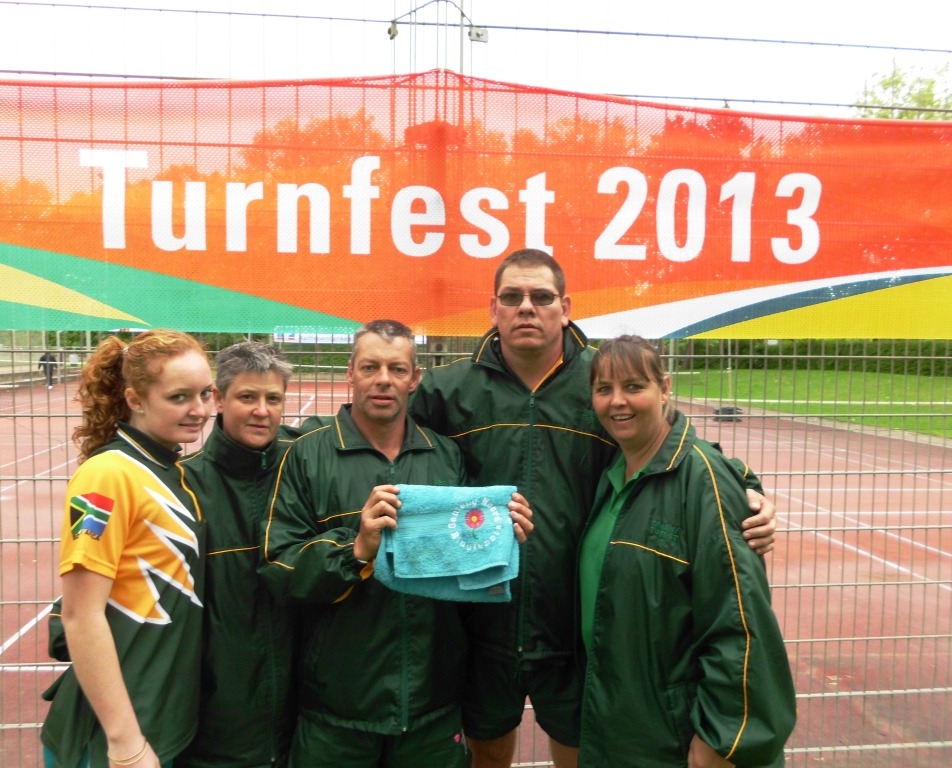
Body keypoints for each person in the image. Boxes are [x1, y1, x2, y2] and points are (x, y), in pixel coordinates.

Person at [408, 248, 777, 768]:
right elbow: (381, 435)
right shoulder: (447, 390)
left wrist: (744, 485)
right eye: (512, 297)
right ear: (494, 309)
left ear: (565, 307)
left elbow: (672, 440)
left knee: (582, 749)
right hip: (481, 619)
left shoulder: (601, 379)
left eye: (541, 297)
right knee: (486, 749)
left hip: (578, 621)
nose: (526, 307)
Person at [261, 319, 533, 768]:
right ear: (350, 373)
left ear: (414, 379)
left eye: (397, 368)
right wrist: (357, 550)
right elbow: (280, 568)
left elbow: (465, 564)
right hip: (336, 710)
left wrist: (501, 538)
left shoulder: (445, 455)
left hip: (432, 707)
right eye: (370, 367)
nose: (383, 379)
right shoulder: (306, 454)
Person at [578, 336, 796, 767]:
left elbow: (740, 621)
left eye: (634, 386)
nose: (617, 401)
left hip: (678, 735)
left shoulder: (703, 481)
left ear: (664, 388)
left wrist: (723, 738)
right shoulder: (613, 474)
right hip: (623, 720)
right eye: (604, 389)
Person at [40, 330, 214, 768]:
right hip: (110, 741)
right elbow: (80, 615)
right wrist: (125, 742)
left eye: (205, 393)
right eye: (179, 397)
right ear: (135, 399)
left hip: (159, 723)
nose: (200, 409)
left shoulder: (173, 470)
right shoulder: (107, 475)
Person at [176, 342, 300, 768]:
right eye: (247, 397)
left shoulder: (306, 473)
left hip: (303, 725)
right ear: (218, 398)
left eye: (273, 399)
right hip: (215, 730)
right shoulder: (183, 488)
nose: (262, 411)